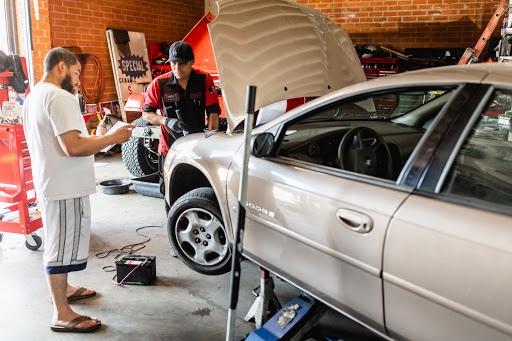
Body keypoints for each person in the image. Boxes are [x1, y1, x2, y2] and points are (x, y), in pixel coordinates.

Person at [22, 47, 132, 333]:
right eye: (76, 73)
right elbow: (73, 147)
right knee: (59, 249)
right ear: (61, 66)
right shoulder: (60, 96)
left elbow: (65, 140)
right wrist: (113, 137)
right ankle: (61, 312)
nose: (78, 81)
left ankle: (65, 289)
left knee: (61, 245)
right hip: (64, 187)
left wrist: (97, 138)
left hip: (51, 182)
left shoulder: (34, 96)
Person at [141, 41, 221, 216]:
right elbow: (146, 114)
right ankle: (174, 229)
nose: (177, 68)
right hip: (169, 150)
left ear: (192, 62)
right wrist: (167, 121)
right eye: (173, 63)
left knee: (200, 191)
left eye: (182, 63)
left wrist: (210, 140)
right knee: (171, 194)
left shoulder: (204, 79)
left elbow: (213, 113)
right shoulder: (159, 84)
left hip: (198, 150)